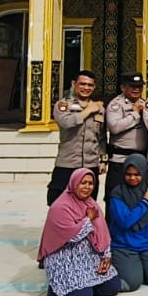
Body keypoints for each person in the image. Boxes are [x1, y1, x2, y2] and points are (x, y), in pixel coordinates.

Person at [38, 168, 119, 296]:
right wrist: (88, 219)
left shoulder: (91, 204)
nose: (87, 187)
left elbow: (102, 232)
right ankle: (58, 289)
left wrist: (106, 256)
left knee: (112, 287)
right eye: (83, 183)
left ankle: (84, 285)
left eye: (90, 183)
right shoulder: (60, 207)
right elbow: (72, 237)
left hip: (87, 256)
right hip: (63, 258)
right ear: (74, 183)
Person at [106, 154, 148, 292]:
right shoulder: (118, 193)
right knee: (132, 283)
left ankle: (139, 266)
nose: (132, 178)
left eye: (137, 174)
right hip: (124, 246)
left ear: (144, 173)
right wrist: (145, 202)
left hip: (147, 246)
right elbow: (125, 221)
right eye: (128, 174)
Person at [49, 70, 105, 206]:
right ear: (74, 84)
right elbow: (66, 123)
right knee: (59, 204)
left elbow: (101, 137)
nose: (86, 88)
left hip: (90, 164)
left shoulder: (99, 109)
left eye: (90, 85)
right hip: (67, 164)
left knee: (89, 204)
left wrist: (103, 159)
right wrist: (87, 111)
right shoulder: (63, 105)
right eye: (83, 84)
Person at [104, 73, 148, 201]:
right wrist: (135, 114)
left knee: (138, 199)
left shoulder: (146, 104)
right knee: (115, 198)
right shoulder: (116, 105)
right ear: (123, 87)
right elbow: (115, 127)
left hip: (140, 160)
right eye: (132, 86)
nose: (136, 89)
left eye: (139, 86)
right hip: (120, 160)